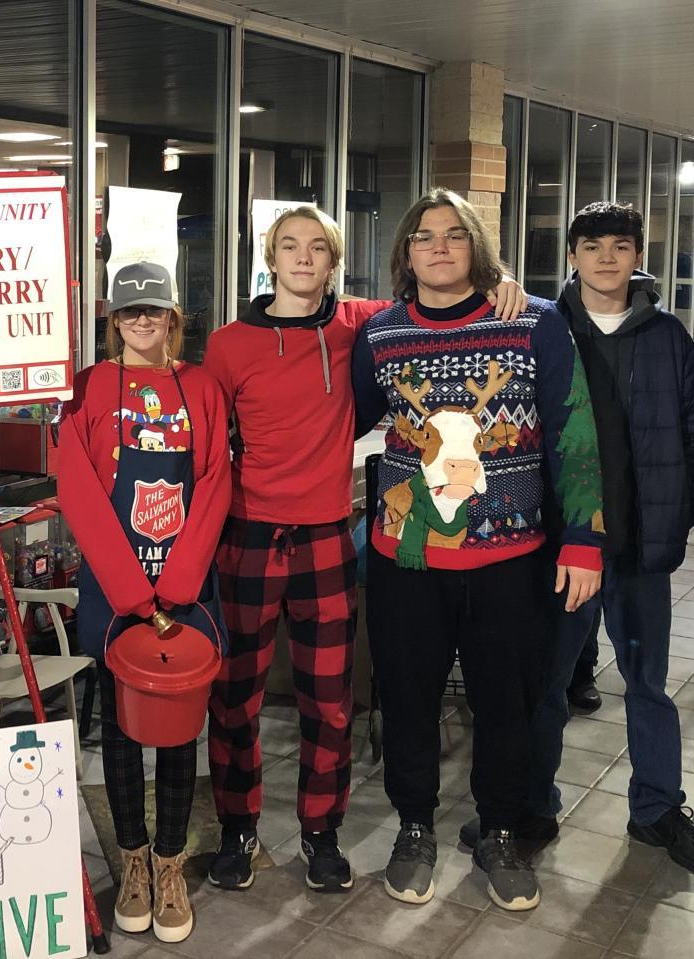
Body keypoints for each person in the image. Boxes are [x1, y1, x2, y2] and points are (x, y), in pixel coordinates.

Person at [200, 205, 527, 892]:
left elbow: (440, 299)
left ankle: (322, 833)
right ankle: (237, 829)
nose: (303, 257)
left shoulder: (363, 326)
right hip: (248, 537)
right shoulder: (228, 345)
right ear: (270, 257)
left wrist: (502, 284)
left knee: (329, 702)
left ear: (334, 260)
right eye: (290, 246)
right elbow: (209, 444)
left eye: (318, 247)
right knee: (234, 699)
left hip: (325, 536)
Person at [351, 188, 604, 912]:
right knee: (408, 702)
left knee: (508, 706)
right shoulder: (379, 335)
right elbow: (342, 410)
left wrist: (585, 540)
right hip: (408, 561)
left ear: (477, 248)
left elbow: (574, 431)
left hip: (510, 561)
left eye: (454, 235)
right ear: (405, 253)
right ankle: (413, 829)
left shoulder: (535, 322)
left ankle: (499, 831)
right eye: (423, 236)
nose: (439, 247)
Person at [460, 202, 694, 871]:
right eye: (592, 246)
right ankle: (535, 803)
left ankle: (657, 808)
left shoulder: (669, 337)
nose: (606, 258)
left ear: (637, 255)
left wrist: (677, 515)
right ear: (572, 255)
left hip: (641, 544)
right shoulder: (542, 326)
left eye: (620, 245)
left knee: (648, 684)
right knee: (548, 683)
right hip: (563, 543)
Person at [59, 262, 230, 943]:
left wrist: (179, 579)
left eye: (153, 310)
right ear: (114, 321)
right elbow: (77, 488)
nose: (141, 321)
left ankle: (169, 865)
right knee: (123, 729)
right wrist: (130, 589)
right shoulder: (88, 389)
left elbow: (215, 481)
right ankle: (133, 861)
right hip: (115, 586)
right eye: (130, 311)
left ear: (172, 317)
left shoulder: (203, 388)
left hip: (186, 583)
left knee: (181, 728)